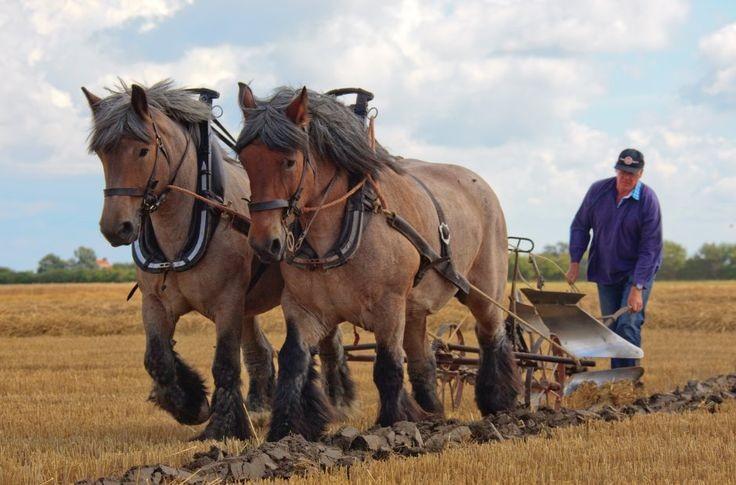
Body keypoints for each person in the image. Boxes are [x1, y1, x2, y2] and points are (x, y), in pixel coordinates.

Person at [566, 148, 663, 368]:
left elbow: (651, 247)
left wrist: (638, 287)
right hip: (606, 268)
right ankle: (616, 380)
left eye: (632, 173)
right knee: (611, 325)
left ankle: (627, 381)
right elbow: (580, 226)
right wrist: (574, 262)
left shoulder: (648, 200)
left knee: (628, 324)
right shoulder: (598, 191)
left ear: (640, 174)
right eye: (623, 172)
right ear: (616, 170)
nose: (626, 177)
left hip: (637, 270)